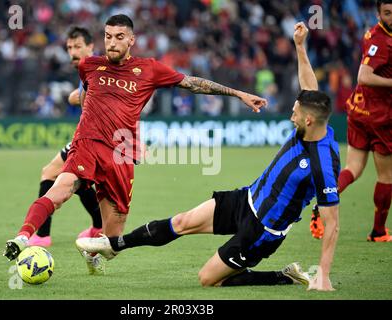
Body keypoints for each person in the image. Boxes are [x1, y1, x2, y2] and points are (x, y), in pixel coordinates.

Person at [76, 22, 340, 291]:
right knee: (182, 222)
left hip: (262, 230)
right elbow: (310, 88)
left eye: (295, 112)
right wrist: (299, 46)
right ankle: (112, 245)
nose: (290, 115)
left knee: (208, 280)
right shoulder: (309, 126)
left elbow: (332, 224)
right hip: (246, 199)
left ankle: (284, 276)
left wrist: (324, 275)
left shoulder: (324, 162)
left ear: (308, 119)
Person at [3, 14, 267, 273]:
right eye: (107, 37)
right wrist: (89, 118)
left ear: (131, 40)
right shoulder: (90, 65)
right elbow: (85, 95)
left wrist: (238, 93)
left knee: (114, 241)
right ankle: (23, 238)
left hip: (121, 156)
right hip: (88, 144)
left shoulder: (149, 69)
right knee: (59, 189)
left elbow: (193, 84)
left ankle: (92, 250)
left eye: (119, 37)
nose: (112, 43)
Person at [310, 0, 392, 242]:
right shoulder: (382, 41)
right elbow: (364, 76)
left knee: (353, 169)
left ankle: (321, 203)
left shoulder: (373, 33)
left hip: (359, 111)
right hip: (380, 117)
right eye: (387, 13)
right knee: (386, 177)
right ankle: (378, 231)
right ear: (378, 13)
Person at [28, 26, 103, 248]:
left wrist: (75, 97)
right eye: (69, 47)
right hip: (94, 138)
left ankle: (42, 235)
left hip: (95, 138)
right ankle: (99, 227)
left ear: (90, 46)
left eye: (78, 46)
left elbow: (87, 97)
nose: (72, 51)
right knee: (79, 183)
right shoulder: (88, 69)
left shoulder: (96, 67)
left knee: (50, 172)